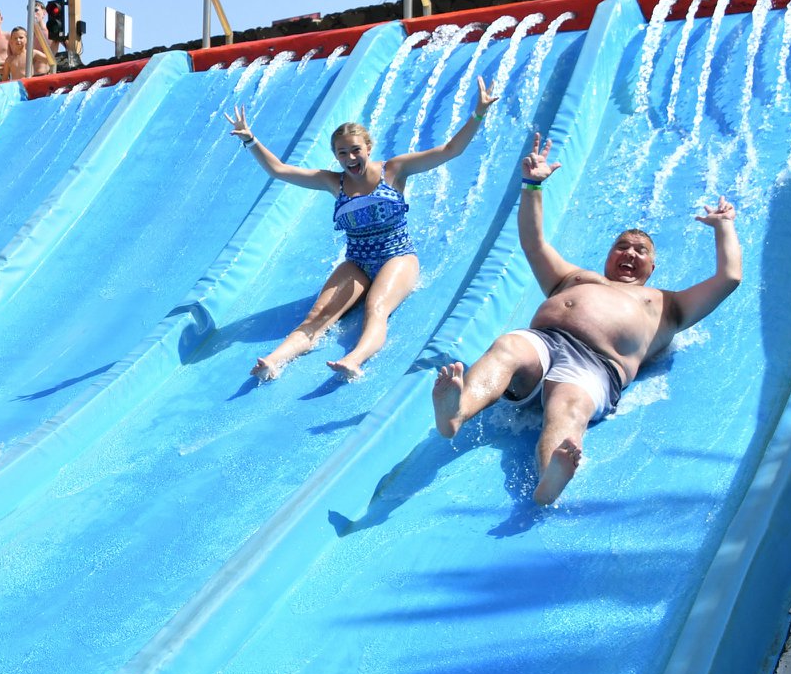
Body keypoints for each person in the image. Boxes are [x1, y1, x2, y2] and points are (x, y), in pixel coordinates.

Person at [431, 133, 743, 505]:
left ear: (652, 266)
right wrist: (532, 185)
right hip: (544, 343)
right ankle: (457, 411)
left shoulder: (667, 305)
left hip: (597, 367)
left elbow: (729, 279)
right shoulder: (576, 277)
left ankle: (550, 478)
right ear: (609, 255)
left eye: (640, 250)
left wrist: (725, 227)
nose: (629, 253)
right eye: (621, 246)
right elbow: (533, 243)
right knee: (508, 346)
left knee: (569, 407)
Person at [232, 77, 498, 382]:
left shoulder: (395, 170)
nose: (350, 159)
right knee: (316, 316)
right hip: (357, 262)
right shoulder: (334, 182)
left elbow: (451, 150)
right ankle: (275, 361)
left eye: (355, 150)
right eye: (342, 153)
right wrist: (249, 140)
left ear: (368, 147)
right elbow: (280, 170)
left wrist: (478, 113)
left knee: (376, 307)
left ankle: (355, 359)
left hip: (397, 257)